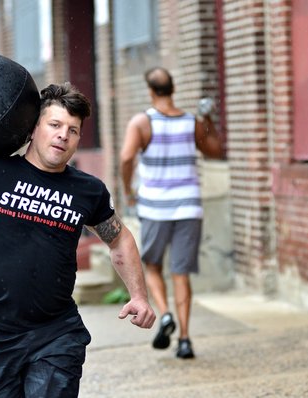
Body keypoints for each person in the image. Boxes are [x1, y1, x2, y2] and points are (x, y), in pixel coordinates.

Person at [0, 64, 156, 397]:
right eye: (54, 124)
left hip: (56, 333)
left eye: (73, 130)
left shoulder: (88, 190)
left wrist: (138, 294)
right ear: (33, 127)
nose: (63, 135)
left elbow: (119, 237)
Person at [120, 67, 223, 359]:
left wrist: (128, 190)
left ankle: (164, 315)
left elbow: (127, 157)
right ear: (173, 88)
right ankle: (186, 339)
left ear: (151, 90)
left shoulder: (142, 122)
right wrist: (208, 121)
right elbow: (215, 150)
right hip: (189, 206)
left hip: (155, 206)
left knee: (152, 264)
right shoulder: (191, 122)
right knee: (181, 273)